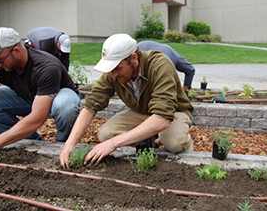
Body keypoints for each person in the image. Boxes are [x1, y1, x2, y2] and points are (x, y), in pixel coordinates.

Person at [60, 33, 194, 169]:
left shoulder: (159, 65)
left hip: (174, 112)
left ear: (134, 58)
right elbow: (91, 105)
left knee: (174, 142)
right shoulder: (113, 71)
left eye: (118, 68)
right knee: (106, 134)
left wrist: (113, 144)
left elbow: (163, 118)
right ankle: (151, 140)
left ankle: (188, 153)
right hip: (142, 112)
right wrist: (69, 145)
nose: (113, 75)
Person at [0, 27, 81, 159]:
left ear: (16, 51)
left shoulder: (47, 66)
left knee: (65, 106)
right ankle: (30, 141)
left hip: (57, 97)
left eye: (0, 60)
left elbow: (37, 118)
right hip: (30, 98)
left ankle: (62, 145)